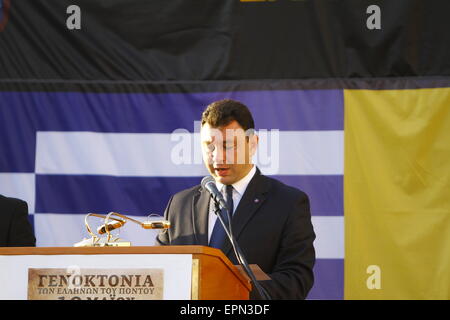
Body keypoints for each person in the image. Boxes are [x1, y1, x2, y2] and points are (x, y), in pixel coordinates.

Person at [156, 99, 315, 299]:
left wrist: (230, 292)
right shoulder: (180, 205)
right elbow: (160, 275)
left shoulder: (288, 203)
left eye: (228, 146)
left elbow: (296, 280)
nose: (218, 157)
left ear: (253, 144)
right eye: (209, 146)